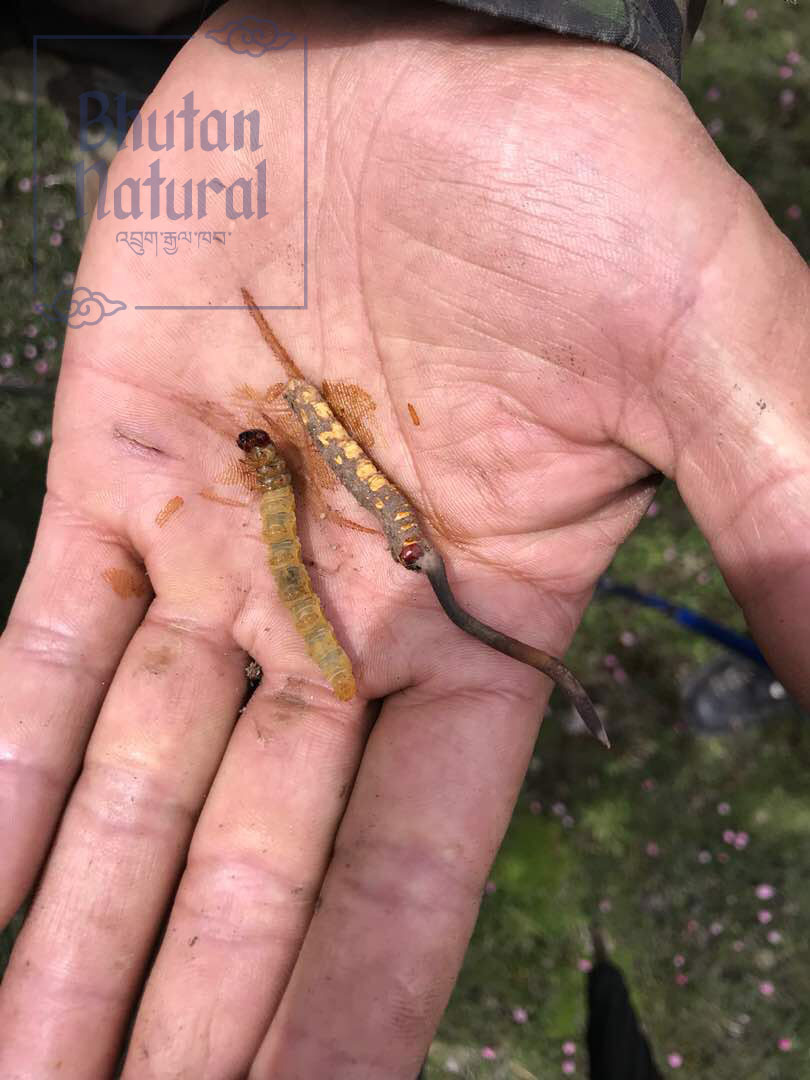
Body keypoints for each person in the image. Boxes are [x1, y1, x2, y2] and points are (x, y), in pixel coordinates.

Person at [1, 1, 808, 1076]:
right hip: (154, 62)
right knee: (132, 111)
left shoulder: (305, 441)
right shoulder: (281, 460)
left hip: (248, 67)